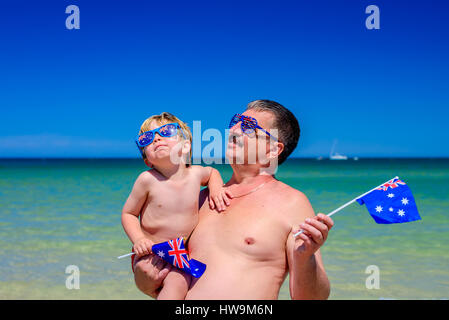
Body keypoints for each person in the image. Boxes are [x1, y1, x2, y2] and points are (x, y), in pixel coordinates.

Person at [133, 101, 334, 300]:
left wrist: (304, 259)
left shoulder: (292, 202)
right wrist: (144, 279)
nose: (234, 129)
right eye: (236, 121)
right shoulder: (199, 198)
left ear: (272, 150)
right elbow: (161, 273)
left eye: (247, 126)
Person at [121, 112, 231, 300]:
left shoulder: (195, 174)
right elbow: (129, 213)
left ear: (185, 145)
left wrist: (216, 189)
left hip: (180, 254)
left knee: (178, 282)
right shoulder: (147, 180)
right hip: (151, 253)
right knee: (162, 277)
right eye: (147, 138)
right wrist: (138, 239)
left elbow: (212, 172)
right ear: (147, 159)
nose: (156, 138)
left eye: (166, 131)